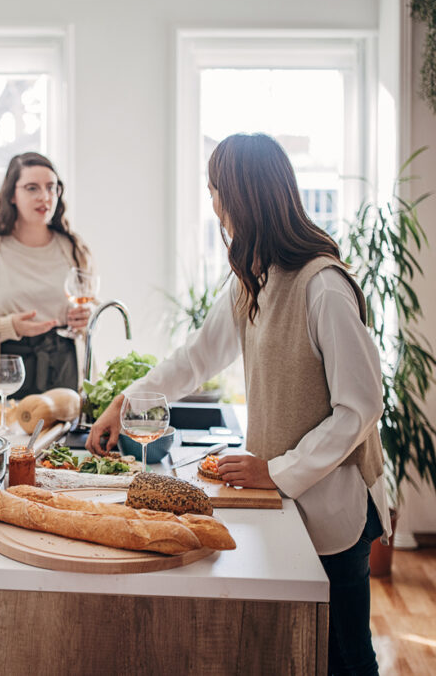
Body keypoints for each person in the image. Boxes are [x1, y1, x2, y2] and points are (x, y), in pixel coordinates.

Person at [86, 133, 388, 675]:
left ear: (243, 196)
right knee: (304, 652)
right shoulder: (255, 277)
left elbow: (360, 409)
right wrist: (122, 403)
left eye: (215, 189)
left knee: (346, 658)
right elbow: (196, 358)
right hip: (291, 504)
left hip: (335, 509)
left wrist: (276, 471)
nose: (213, 202)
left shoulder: (324, 287)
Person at [0, 152, 94, 397]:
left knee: (64, 435)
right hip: (0, 372)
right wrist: (7, 326)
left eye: (51, 188)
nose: (44, 197)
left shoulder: (74, 248)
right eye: (32, 188)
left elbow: (90, 306)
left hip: (64, 370)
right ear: (11, 194)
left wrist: (87, 318)